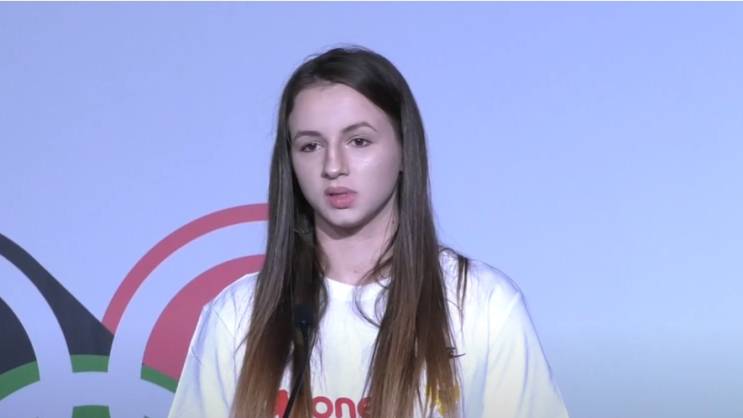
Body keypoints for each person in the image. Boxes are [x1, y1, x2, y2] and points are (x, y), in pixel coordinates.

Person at [168, 46, 570, 418]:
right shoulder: (237, 316)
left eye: (358, 141)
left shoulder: (482, 304)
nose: (333, 166)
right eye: (310, 146)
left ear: (404, 150)